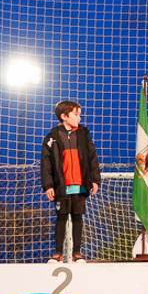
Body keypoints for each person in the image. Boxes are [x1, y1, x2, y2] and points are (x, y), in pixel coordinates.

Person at [40, 101, 101, 263]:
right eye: (76, 114)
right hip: (62, 186)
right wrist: (48, 185)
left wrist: (95, 180)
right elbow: (46, 163)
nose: (79, 118)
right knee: (61, 217)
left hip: (79, 184)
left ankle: (77, 253)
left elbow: (93, 158)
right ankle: (58, 253)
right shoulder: (52, 137)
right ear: (64, 116)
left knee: (77, 218)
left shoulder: (83, 135)